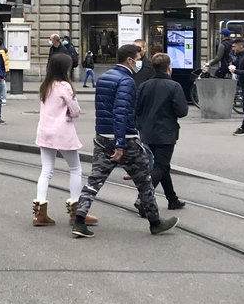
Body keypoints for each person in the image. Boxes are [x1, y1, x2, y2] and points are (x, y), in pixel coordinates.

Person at [71, 43, 178, 238]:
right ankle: (155, 222)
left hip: (102, 137)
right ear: (129, 60)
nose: (140, 62)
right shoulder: (126, 81)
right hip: (125, 139)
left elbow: (103, 110)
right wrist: (120, 144)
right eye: (138, 58)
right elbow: (120, 113)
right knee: (144, 180)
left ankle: (79, 220)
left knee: (95, 180)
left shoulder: (104, 78)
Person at [32, 52, 95, 228]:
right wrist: (68, 113)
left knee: (46, 170)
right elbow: (75, 110)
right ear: (65, 68)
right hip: (62, 133)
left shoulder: (46, 85)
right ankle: (76, 211)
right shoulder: (65, 86)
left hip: (45, 132)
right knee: (75, 168)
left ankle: (40, 213)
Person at [135, 52, 188, 210]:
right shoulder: (174, 86)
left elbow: (137, 108)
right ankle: (143, 197)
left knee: (162, 165)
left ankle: (172, 199)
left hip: (147, 132)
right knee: (160, 166)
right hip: (166, 132)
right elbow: (182, 111)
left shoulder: (144, 85)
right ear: (169, 68)